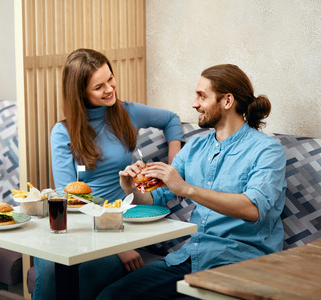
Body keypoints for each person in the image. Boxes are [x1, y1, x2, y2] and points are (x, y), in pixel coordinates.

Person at [97, 64, 287, 299]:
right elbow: (154, 197)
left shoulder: (267, 150)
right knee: (112, 296)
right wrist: (131, 188)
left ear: (227, 101)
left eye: (201, 96)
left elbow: (253, 209)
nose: (194, 103)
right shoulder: (196, 147)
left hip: (242, 263)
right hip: (192, 256)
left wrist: (187, 189)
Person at [33, 48, 184, 300]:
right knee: (50, 274)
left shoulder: (128, 112)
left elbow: (171, 119)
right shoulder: (63, 132)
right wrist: (117, 247)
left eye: (110, 79)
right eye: (99, 86)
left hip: (119, 224)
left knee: (83, 277)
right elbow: (69, 198)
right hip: (76, 226)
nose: (110, 89)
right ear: (80, 91)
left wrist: (174, 162)